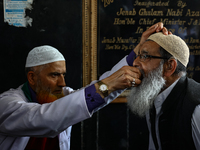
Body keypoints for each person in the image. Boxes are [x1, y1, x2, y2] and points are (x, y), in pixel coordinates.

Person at [0, 22, 167, 150]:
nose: (62, 83)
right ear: (32, 78)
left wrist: (138, 51)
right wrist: (106, 85)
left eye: (63, 75)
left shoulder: (62, 95)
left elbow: (98, 93)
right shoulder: (7, 105)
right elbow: (46, 119)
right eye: (54, 75)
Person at [127, 26, 200, 149]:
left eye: (144, 56)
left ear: (169, 66)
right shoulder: (153, 94)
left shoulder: (197, 108)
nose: (135, 63)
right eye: (138, 56)